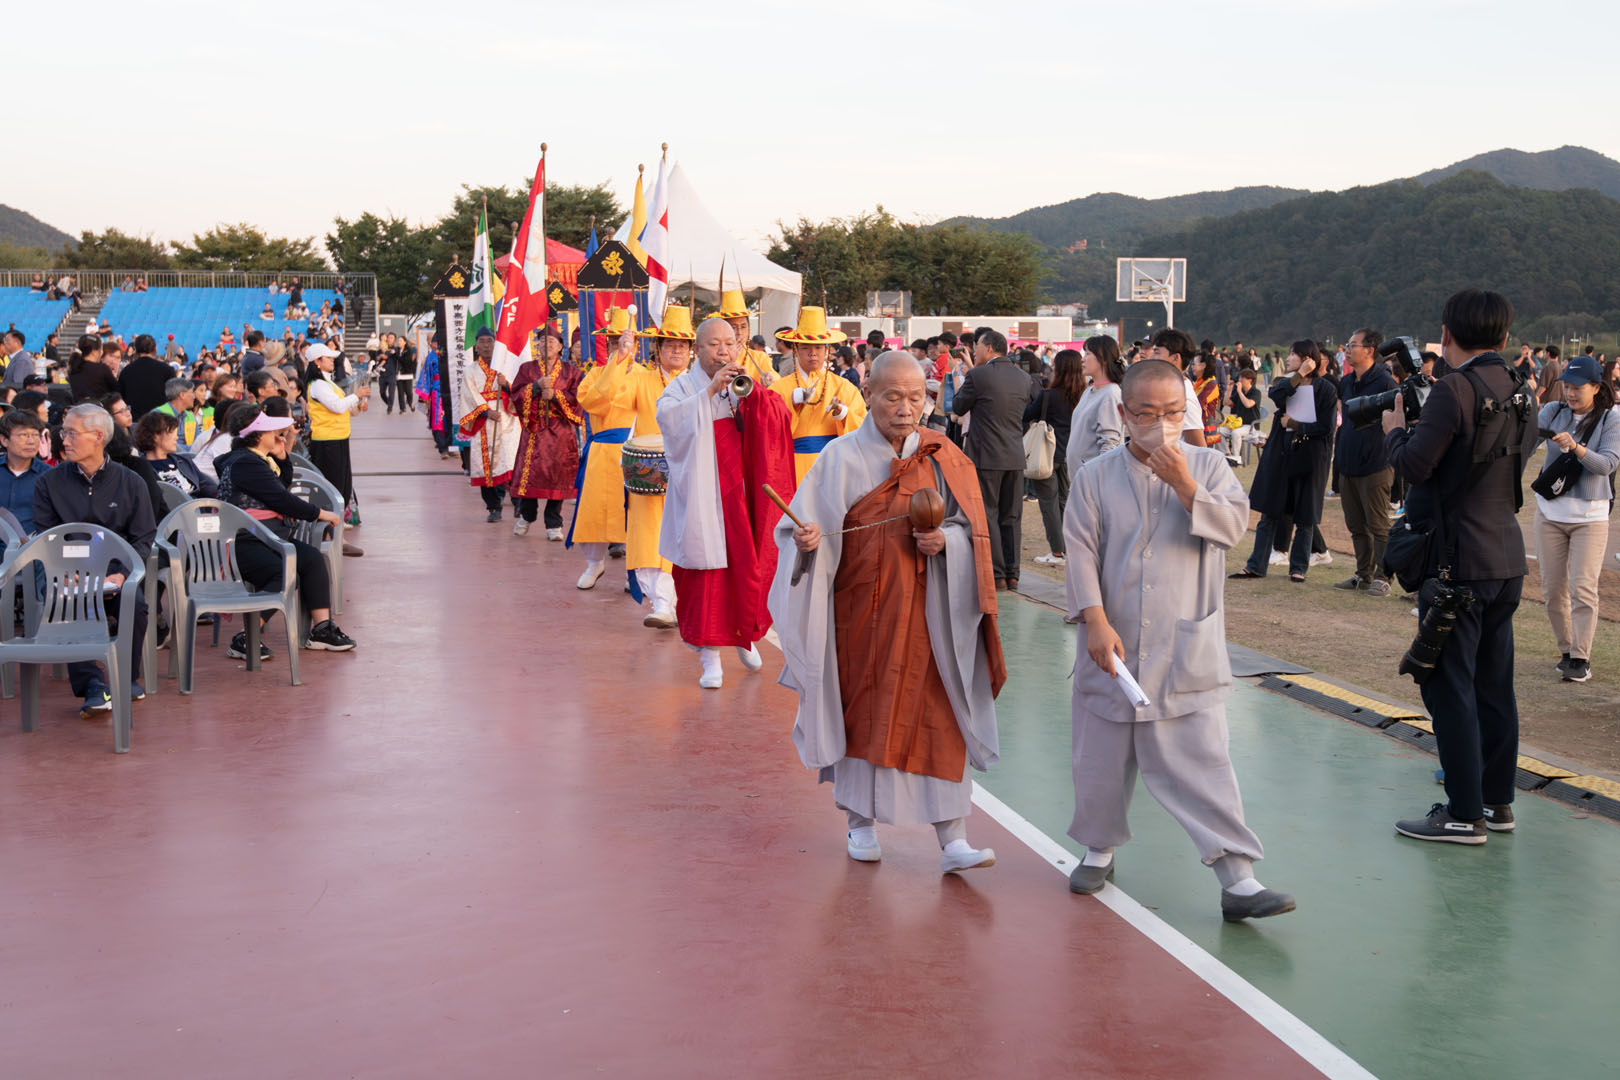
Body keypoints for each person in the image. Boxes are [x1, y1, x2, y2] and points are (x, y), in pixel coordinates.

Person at [1064, 360, 1293, 920]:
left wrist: (1185, 485)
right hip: (1113, 643)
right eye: (1147, 413)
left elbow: (1233, 530)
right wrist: (1094, 619)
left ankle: (1238, 879)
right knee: (1101, 757)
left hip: (1185, 643)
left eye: (1172, 412)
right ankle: (1098, 848)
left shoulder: (1209, 466)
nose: (1161, 424)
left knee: (1204, 760)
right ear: (1124, 415)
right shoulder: (1095, 476)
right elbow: (1081, 550)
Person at [769, 352, 1005, 872]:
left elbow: (972, 531)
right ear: (869, 395)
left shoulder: (944, 456)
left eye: (915, 398)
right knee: (863, 714)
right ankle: (860, 824)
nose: (904, 409)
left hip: (932, 618)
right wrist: (807, 543)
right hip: (861, 617)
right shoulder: (840, 457)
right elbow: (802, 529)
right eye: (892, 396)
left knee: (939, 716)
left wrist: (946, 542)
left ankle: (953, 838)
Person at [1384, 288, 1540, 844]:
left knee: (1450, 687)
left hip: (1456, 563)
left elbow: (1414, 466)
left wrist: (1394, 430)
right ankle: (1496, 803)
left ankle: (1462, 813)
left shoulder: (1453, 390)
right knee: (1495, 687)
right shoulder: (1523, 390)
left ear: (1446, 334)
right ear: (1504, 336)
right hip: (1506, 557)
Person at [658, 317, 796, 688]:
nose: (723, 351)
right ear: (697, 349)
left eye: (730, 343)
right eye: (714, 344)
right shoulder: (681, 387)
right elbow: (669, 421)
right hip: (702, 494)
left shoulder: (743, 380)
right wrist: (709, 392)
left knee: (747, 566)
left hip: (741, 492)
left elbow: (779, 420)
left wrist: (757, 396)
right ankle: (711, 658)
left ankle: (745, 636)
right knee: (707, 577)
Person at [32, 404, 156, 714]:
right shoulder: (49, 482)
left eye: (71, 433)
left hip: (114, 570)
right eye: (63, 433)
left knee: (135, 603)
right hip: (67, 570)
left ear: (98, 436)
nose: (64, 440)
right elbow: (46, 536)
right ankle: (92, 684)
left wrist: (123, 573)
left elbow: (143, 537)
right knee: (68, 599)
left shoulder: (131, 482)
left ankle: (126, 676)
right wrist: (62, 570)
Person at [215, 405, 356, 655]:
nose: (277, 434)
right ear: (258, 436)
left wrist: (282, 457)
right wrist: (320, 513)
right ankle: (246, 637)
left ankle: (322, 629)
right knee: (284, 573)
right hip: (244, 542)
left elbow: (279, 488)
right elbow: (282, 500)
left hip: (266, 539)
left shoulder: (253, 460)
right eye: (271, 431)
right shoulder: (246, 464)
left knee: (311, 559)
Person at [1531, 356, 1618, 684]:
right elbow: (1525, 443)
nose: (1570, 393)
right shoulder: (1553, 412)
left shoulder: (1611, 419)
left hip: (1590, 517)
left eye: (1577, 387)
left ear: (1596, 387)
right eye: (1566, 386)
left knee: (1583, 587)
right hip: (1549, 513)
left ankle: (1581, 657)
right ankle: (1566, 650)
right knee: (1553, 589)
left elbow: (1607, 465)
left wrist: (1577, 448)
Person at [1232, 341, 1339, 583]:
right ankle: (1256, 565)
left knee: (1305, 515)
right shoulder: (1286, 382)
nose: (1289, 358)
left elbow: (1327, 426)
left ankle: (1298, 568)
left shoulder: (1326, 389)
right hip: (1281, 454)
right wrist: (1299, 375)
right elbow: (1276, 396)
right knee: (1270, 511)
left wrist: (1294, 424)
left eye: (1293, 355)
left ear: (1308, 358)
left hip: (1310, 456)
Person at [950, 328, 1032, 590]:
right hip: (1014, 455)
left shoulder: (978, 375)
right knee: (1012, 516)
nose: (974, 351)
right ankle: (1013, 572)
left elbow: (958, 406)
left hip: (986, 455)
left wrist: (962, 376)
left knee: (988, 514)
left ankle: (997, 574)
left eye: (977, 346)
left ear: (989, 348)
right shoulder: (1023, 378)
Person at [568, 309, 637, 590]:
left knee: (635, 513)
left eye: (624, 342)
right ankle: (594, 563)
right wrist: (617, 364)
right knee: (594, 510)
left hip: (633, 452)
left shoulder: (644, 375)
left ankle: (635, 570)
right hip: (601, 450)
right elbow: (593, 403)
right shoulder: (594, 374)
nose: (618, 347)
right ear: (607, 345)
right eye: (613, 342)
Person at [1333, 328, 1397, 596]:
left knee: (1378, 525)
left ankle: (1384, 577)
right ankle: (1363, 574)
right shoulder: (1347, 382)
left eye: (1353, 345)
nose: (1347, 350)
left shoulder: (1385, 382)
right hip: (1348, 462)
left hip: (1375, 463)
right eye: (1347, 345)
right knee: (1356, 525)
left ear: (1370, 350)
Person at [771, 307, 867, 484]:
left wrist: (844, 415)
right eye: (805, 347)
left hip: (833, 465)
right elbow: (768, 430)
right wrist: (791, 405)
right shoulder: (778, 388)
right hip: (792, 465)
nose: (813, 353)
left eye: (818, 347)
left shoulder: (844, 387)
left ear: (827, 350)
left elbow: (864, 428)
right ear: (796, 350)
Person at [506, 326, 581, 540]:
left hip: (560, 432)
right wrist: (536, 387)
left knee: (558, 477)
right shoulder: (527, 369)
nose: (546, 345)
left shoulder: (571, 372)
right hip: (534, 430)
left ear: (560, 347)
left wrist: (555, 395)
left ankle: (554, 524)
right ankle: (526, 516)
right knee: (530, 476)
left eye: (552, 341)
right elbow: (516, 395)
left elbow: (578, 399)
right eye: (542, 341)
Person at [1026, 347, 1083, 567]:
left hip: (1046, 454)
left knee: (1048, 504)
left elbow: (1026, 415)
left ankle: (1057, 552)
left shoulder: (1048, 395)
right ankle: (1068, 548)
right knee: (1064, 502)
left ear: (1058, 369)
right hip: (1071, 455)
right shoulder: (1084, 395)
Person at [457, 328, 518, 523]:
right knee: (486, 464)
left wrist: (506, 384)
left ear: (496, 344)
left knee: (510, 459)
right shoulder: (470, 371)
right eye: (481, 341)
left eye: (489, 341)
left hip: (506, 417)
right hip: (483, 420)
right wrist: (486, 411)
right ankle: (493, 506)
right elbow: (469, 395)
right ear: (475, 346)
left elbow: (519, 390)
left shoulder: (506, 368)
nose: (486, 345)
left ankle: (518, 502)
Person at [304, 343, 368, 517]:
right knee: (333, 483)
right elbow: (337, 406)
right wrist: (356, 395)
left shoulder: (327, 383)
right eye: (328, 358)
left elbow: (341, 407)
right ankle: (331, 520)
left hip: (337, 437)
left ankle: (337, 519)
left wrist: (357, 404)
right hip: (327, 440)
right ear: (317, 362)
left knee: (342, 482)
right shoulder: (318, 385)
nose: (332, 361)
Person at [133, 411, 218, 498]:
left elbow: (206, 485)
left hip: (197, 504)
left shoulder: (184, 460)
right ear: (155, 436)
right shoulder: (142, 468)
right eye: (171, 432)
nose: (176, 437)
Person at [710, 290, 777, 387]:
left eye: (743, 327)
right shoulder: (714, 358)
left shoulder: (760, 358)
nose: (739, 332)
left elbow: (776, 380)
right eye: (733, 327)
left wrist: (770, 377)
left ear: (749, 330)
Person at [0, 410, 52, 533]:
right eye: (23, 435)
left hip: (34, 543)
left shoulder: (49, 475)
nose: (31, 441)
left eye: (35, 435)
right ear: (4, 440)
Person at [118, 335, 174, 418]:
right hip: (161, 419)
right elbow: (174, 397)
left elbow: (121, 397)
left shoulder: (126, 371)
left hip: (135, 420)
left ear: (136, 350)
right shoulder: (167, 370)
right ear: (155, 348)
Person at [1222, 367, 1262, 467]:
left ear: (1250, 380)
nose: (1239, 380)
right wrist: (1229, 390)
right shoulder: (1240, 392)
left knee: (1236, 433)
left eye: (1242, 378)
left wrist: (1239, 391)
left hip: (1251, 426)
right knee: (1218, 431)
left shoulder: (1256, 392)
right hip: (1238, 424)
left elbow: (1248, 404)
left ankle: (1236, 460)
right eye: (1239, 377)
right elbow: (1226, 403)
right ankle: (1228, 454)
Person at [152, 378, 202, 449]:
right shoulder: (158, 415)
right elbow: (160, 445)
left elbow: (198, 443)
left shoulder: (190, 416)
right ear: (182, 395)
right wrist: (191, 449)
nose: (194, 397)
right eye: (192, 393)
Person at [67, 334, 118, 403]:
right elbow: (117, 391)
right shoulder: (102, 369)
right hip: (99, 408)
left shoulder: (74, 368)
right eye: (101, 349)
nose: (102, 352)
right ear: (94, 351)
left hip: (79, 408)